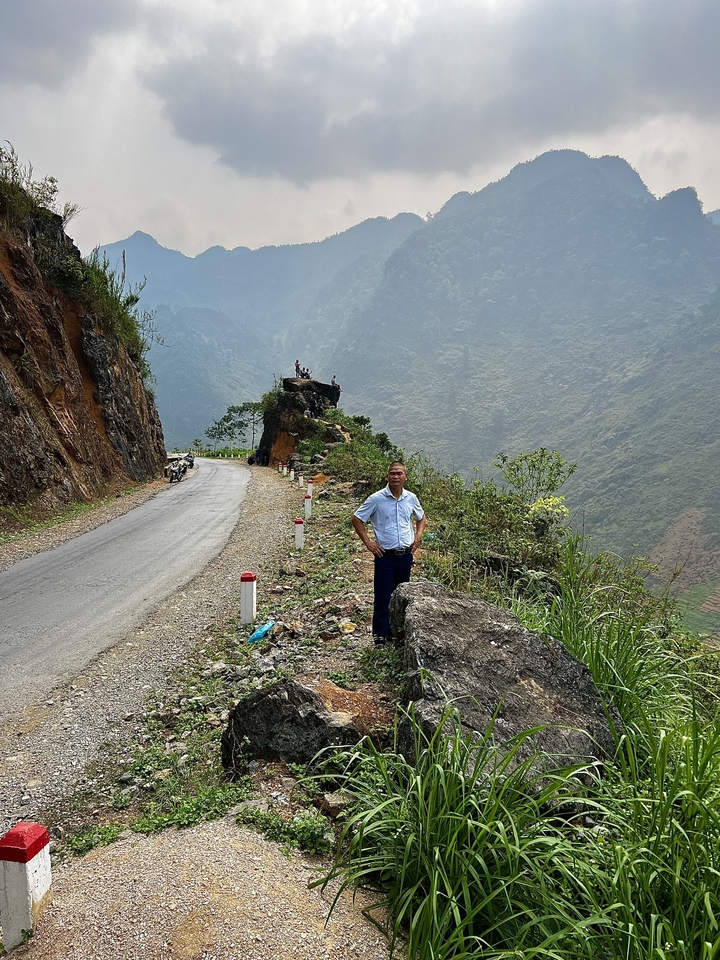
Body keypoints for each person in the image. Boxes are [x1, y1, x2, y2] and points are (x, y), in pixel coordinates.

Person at [352, 462, 426, 645]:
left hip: (406, 555)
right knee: (383, 595)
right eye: (392, 473)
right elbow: (357, 518)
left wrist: (418, 537)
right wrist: (368, 542)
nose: (395, 476)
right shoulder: (376, 499)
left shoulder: (411, 498)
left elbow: (421, 517)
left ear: (405, 477)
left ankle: (397, 632)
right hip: (385, 555)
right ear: (387, 477)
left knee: (401, 595)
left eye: (399, 473)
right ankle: (379, 635)